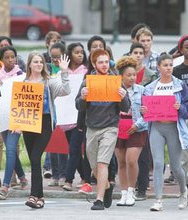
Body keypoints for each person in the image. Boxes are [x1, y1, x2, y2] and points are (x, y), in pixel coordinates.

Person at [75, 49, 130, 210]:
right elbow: (78, 106)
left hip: (110, 127)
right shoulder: (87, 81)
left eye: (106, 62)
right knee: (94, 166)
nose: (104, 65)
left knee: (102, 163)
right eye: (101, 62)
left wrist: (123, 96)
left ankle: (98, 200)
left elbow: (126, 107)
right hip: (92, 128)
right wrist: (83, 97)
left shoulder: (115, 80)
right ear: (94, 64)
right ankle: (106, 186)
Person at [23, 51, 70, 209]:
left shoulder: (49, 81)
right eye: (35, 62)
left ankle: (33, 195)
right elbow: (18, 105)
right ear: (29, 64)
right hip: (28, 123)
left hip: (44, 122)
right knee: (34, 161)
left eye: (41, 62)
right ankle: (40, 197)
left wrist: (64, 71)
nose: (38, 64)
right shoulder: (23, 82)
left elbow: (66, 90)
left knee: (36, 158)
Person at [142, 53, 188, 211]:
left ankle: (183, 191)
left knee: (176, 166)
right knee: (158, 163)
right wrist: (143, 111)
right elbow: (145, 110)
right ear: (159, 67)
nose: (169, 68)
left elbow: (187, 108)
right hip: (156, 127)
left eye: (170, 65)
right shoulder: (150, 87)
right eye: (165, 65)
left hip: (174, 128)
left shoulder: (180, 85)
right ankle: (158, 200)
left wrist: (180, 108)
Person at [115, 56, 148, 206]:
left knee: (131, 160)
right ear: (121, 76)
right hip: (118, 127)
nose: (132, 78)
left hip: (137, 128)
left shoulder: (142, 90)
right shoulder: (115, 90)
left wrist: (138, 125)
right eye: (128, 75)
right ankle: (123, 193)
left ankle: (131, 191)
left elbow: (148, 112)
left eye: (134, 74)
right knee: (121, 162)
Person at [0, 46, 27, 200]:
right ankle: (22, 177)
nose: (10, 60)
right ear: (1, 60)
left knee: (10, 150)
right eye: (7, 57)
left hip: (17, 119)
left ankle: (5, 186)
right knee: (10, 151)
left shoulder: (21, 76)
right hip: (2, 118)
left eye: (13, 57)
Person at [130, 42, 157, 200]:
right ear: (131, 54)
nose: (138, 55)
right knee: (129, 157)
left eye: (141, 52)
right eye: (135, 52)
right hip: (128, 118)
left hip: (145, 118)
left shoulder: (150, 74)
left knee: (144, 155)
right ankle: (130, 187)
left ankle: (142, 188)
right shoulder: (125, 72)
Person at [62, 42, 87, 191]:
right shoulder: (63, 71)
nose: (80, 55)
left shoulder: (85, 71)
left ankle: (68, 180)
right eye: (77, 52)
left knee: (74, 148)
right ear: (70, 54)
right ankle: (85, 176)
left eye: (82, 52)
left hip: (79, 116)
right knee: (75, 150)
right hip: (66, 116)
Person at [46, 42, 69, 187]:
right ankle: (55, 175)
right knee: (52, 145)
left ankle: (63, 175)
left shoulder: (67, 69)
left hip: (66, 111)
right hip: (52, 112)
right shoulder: (47, 68)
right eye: (52, 57)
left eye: (58, 57)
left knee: (63, 145)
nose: (55, 60)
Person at [172, 34, 188, 187]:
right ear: (181, 50)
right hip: (183, 116)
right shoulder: (176, 71)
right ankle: (185, 188)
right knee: (184, 155)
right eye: (187, 47)